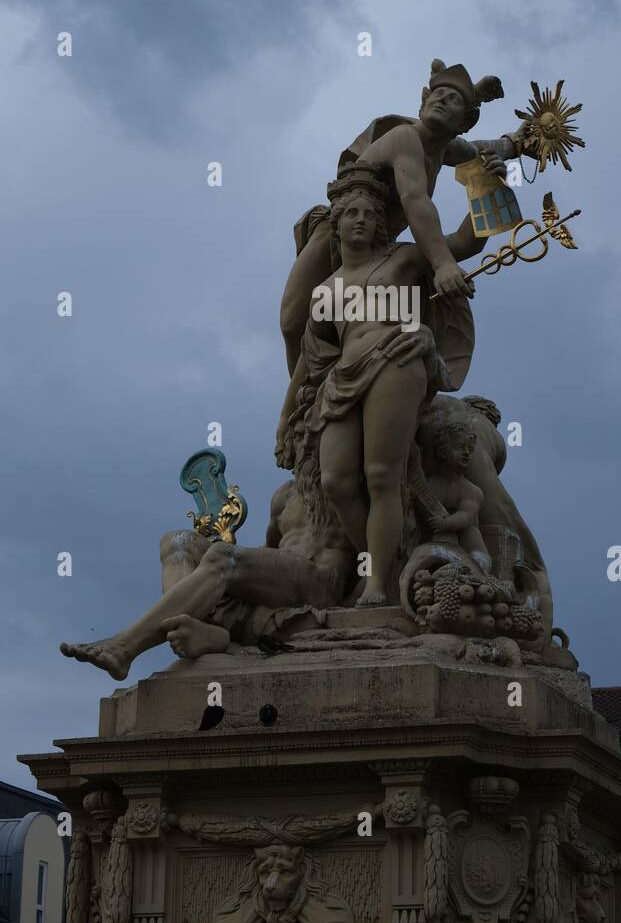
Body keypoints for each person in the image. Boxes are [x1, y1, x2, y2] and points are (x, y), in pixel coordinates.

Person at [289, 163, 483, 606]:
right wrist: (287, 417)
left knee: (381, 475)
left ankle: (376, 586)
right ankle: (388, 565)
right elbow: (309, 359)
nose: (360, 220)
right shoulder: (325, 290)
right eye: (351, 213)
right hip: (341, 379)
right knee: (337, 481)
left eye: (369, 214)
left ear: (380, 223)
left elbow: (465, 242)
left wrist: (484, 184)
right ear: (335, 225)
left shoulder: (403, 258)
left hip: (397, 359)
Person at [279, 59, 532, 377]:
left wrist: (499, 178)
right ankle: (305, 408)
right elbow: (415, 200)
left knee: (345, 327)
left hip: (379, 254)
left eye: (454, 99)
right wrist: (441, 263)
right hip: (337, 236)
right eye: (438, 94)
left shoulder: (443, 151)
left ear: (463, 123)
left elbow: (469, 239)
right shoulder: (405, 137)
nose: (442, 99)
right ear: (424, 101)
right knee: (295, 322)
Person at [59, 475, 355, 681]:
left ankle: (125, 647)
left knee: (224, 558)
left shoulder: (357, 480)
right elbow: (272, 553)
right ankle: (203, 631)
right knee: (177, 541)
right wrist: (239, 570)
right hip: (284, 580)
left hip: (319, 581)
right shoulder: (287, 494)